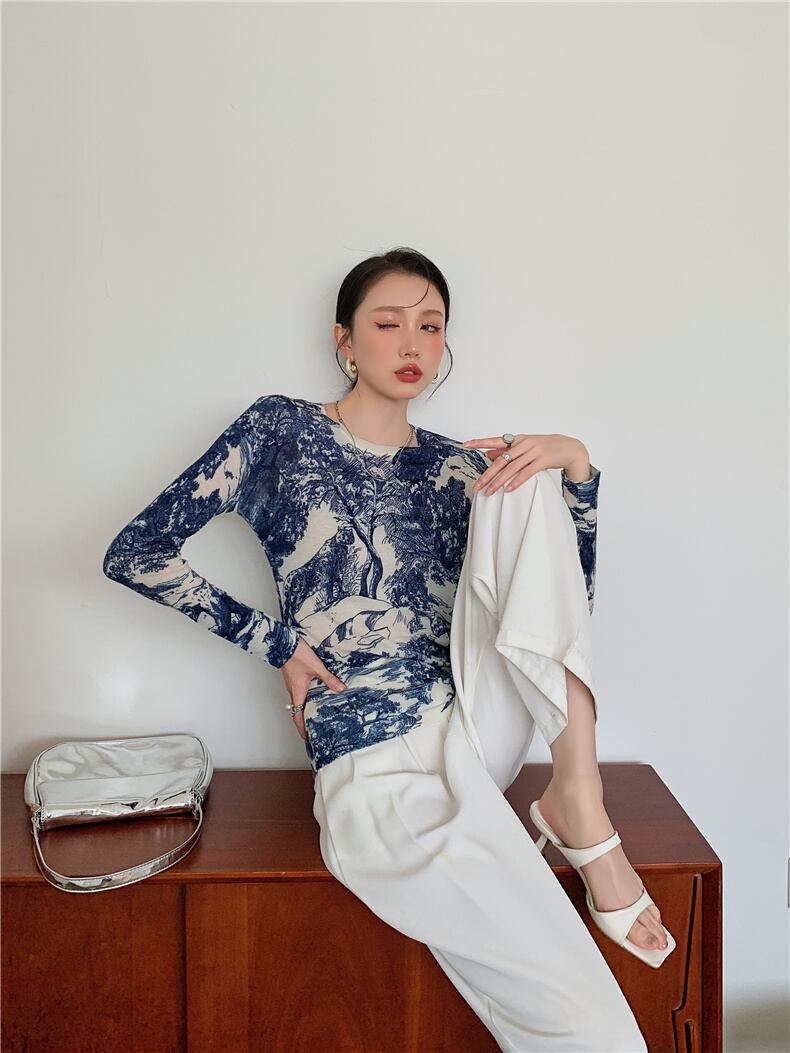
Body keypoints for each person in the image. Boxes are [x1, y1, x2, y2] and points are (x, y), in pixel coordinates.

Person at [103, 247, 669, 1050]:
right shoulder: (279, 431)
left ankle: (578, 796)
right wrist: (278, 643)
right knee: (590, 1026)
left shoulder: (454, 466)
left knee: (521, 475)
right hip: (376, 760)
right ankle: (572, 824)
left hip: (477, 723)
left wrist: (574, 465)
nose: (412, 344)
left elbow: (561, 615)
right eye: (388, 323)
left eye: (430, 326)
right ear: (344, 339)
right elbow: (136, 552)